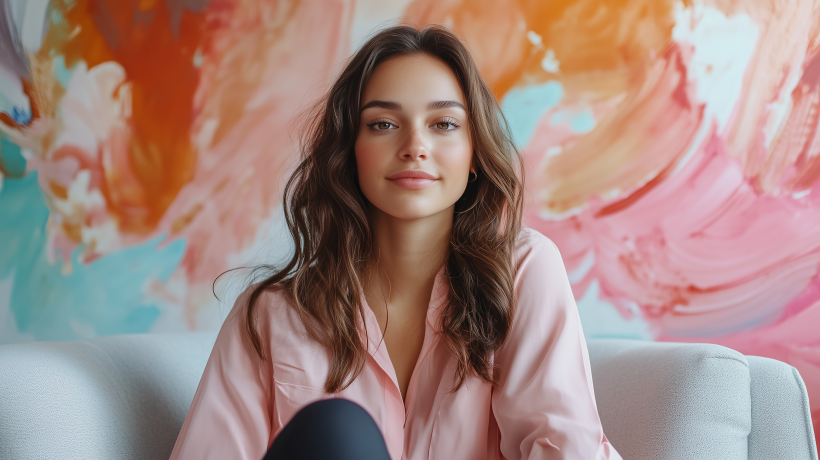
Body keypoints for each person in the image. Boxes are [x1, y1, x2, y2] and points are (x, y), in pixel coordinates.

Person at [170, 25, 622, 460]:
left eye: (443, 124)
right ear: (350, 152)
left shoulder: (523, 272)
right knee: (336, 430)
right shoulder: (270, 316)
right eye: (383, 124)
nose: (414, 146)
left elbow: (563, 447)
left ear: (474, 155)